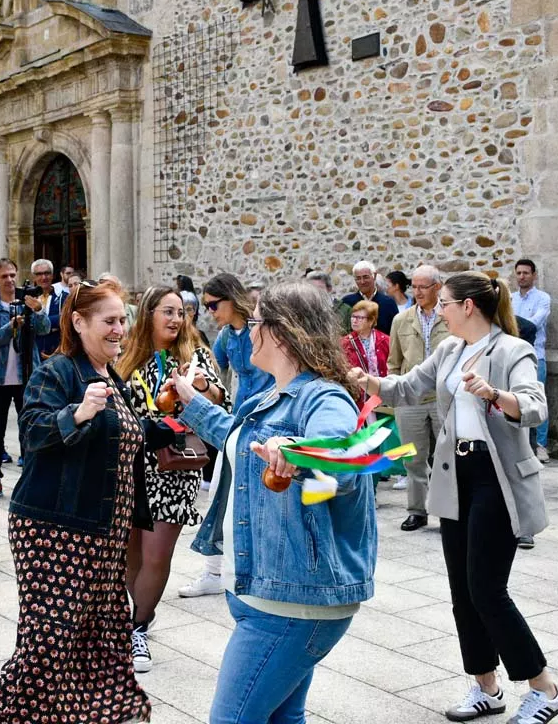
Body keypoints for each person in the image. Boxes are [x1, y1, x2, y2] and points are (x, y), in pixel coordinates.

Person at [352, 272, 558, 724]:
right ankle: (486, 687)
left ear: (468, 306)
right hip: (455, 476)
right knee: (461, 591)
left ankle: (544, 687)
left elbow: (535, 406)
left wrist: (494, 394)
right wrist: (363, 380)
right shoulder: (449, 349)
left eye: (444, 302)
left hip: (496, 477)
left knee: (487, 590)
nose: (436, 309)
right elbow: (408, 387)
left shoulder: (513, 350)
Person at [170, 281, 375, 724]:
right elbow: (242, 442)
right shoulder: (272, 395)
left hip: (291, 603)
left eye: (257, 321)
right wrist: (191, 402)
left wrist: (297, 452)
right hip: (269, 591)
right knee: (283, 719)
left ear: (282, 332)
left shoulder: (322, 396)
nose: (249, 331)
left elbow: (347, 456)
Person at [0, 283, 176, 724]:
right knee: (48, 645)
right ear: (78, 322)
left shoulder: (113, 377)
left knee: (102, 639)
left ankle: (96, 714)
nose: (119, 329)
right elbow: (31, 433)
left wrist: (178, 420)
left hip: (103, 534)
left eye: (122, 320)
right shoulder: (57, 373)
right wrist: (78, 412)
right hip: (57, 531)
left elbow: (132, 435)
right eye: (109, 321)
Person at [117, 286, 228, 672]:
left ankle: (137, 629)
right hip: (130, 468)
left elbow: (221, 400)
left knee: (155, 555)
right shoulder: (127, 357)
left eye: (181, 312)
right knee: (130, 556)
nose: (176, 319)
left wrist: (198, 387)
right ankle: (138, 613)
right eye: (168, 311)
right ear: (148, 314)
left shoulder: (194, 356)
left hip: (174, 467)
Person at [179, 272, 276, 599]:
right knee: (221, 493)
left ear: (232, 299)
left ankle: (257, 570)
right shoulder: (224, 337)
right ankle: (214, 570)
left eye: (213, 304)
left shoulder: (263, 330)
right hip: (237, 422)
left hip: (268, 422)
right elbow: (213, 374)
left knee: (263, 500)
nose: (209, 311)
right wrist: (198, 381)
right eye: (205, 305)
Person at [386, 264, 450, 529]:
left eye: (424, 286)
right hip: (410, 400)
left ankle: (448, 512)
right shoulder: (401, 320)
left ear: (437, 287)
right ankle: (417, 510)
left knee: (448, 457)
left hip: (443, 398)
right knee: (413, 459)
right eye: (415, 286)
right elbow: (393, 362)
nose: (418, 291)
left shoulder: (449, 317)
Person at [0, 259, 49, 496]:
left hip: (27, 377)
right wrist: (9, 327)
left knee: (29, 430)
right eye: (4, 276)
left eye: (13, 275)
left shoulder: (28, 303)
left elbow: (43, 329)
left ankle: (31, 480)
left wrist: (38, 311)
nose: (10, 280)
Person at [511, 259, 552, 462]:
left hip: (535, 356)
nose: (522, 276)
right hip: (511, 357)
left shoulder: (543, 299)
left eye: (526, 273)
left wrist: (512, 327)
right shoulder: (510, 299)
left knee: (537, 400)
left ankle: (541, 444)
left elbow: (533, 324)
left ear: (534, 275)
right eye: (518, 273)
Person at [342, 260, 400, 334]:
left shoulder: (388, 303)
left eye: (365, 277)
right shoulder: (346, 302)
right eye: (358, 278)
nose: (362, 282)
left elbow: (395, 333)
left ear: (374, 276)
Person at [29, 259, 68, 361]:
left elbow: (65, 320)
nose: (43, 277)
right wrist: (53, 324)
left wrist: (40, 324)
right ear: (34, 277)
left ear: (53, 275)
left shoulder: (64, 297)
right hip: (33, 355)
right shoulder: (28, 299)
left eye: (47, 273)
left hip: (57, 354)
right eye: (39, 274)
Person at [343, 299, 391, 377]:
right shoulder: (344, 343)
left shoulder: (386, 341)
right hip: (358, 388)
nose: (354, 321)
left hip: (383, 387)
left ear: (371, 321)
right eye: (353, 316)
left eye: (359, 318)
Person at [306, 269, 352, 333]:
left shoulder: (345, 310)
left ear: (329, 289)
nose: (315, 291)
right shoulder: (303, 308)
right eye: (311, 288)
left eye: (320, 288)